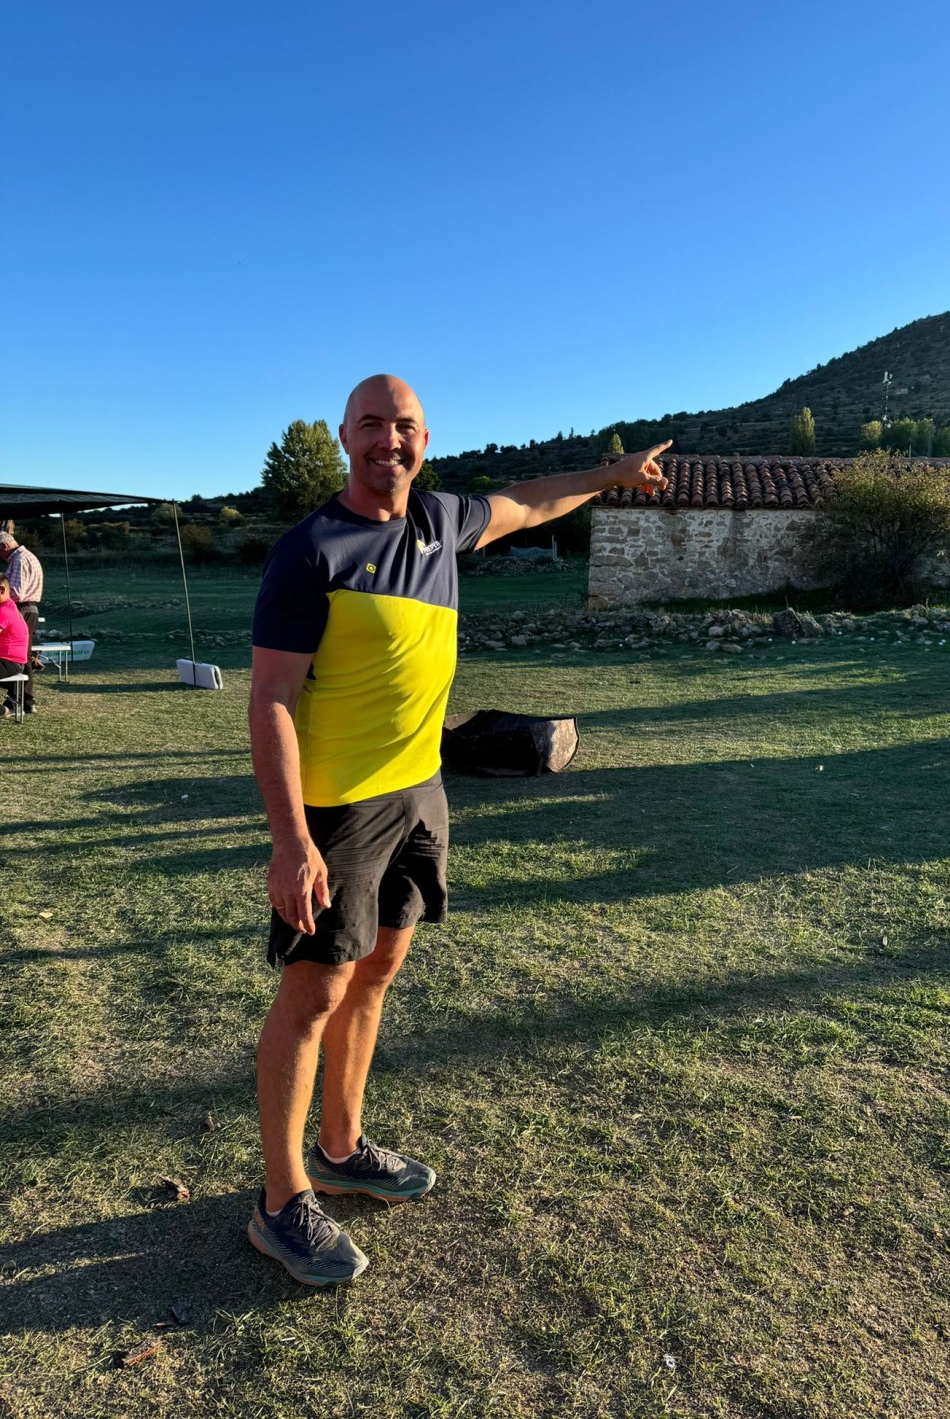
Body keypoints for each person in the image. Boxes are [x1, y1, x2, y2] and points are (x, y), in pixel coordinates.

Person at [247, 372, 670, 1286]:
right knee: (315, 992)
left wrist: (614, 473)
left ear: (424, 441)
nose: (386, 441)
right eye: (371, 426)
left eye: (403, 427)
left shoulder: (440, 522)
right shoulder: (310, 550)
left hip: (420, 792)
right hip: (338, 809)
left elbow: (527, 502)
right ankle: (281, 1203)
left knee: (380, 970)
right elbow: (272, 699)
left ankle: (341, 1144)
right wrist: (291, 840)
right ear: (345, 437)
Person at [0, 531, 43, 715]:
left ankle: (21, 702)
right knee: (23, 656)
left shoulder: (19, 560)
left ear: (4, 546)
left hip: (22, 609)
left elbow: (15, 591)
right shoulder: (27, 557)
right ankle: (22, 701)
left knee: (20, 657)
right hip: (29, 609)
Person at [0, 576, 30, 716]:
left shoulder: (4, 611)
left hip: (10, 662)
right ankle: (10, 706)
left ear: (1, 590)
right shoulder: (8, 605)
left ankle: (7, 708)